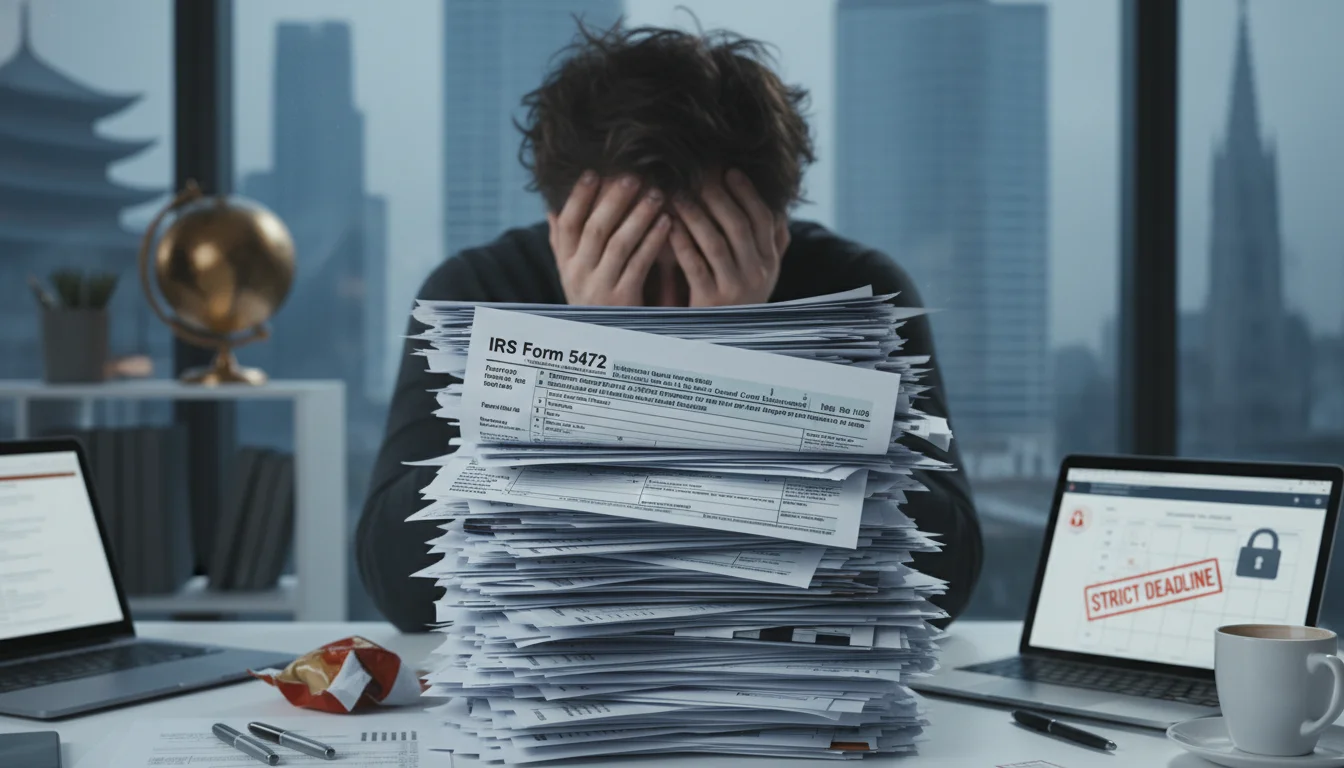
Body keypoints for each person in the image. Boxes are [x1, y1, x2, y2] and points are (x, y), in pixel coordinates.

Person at [358, 24, 982, 632]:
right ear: (560, 223)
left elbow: (944, 578)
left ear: (775, 226)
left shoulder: (858, 296)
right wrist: (589, 369)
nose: (666, 311)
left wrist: (745, 360)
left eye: (700, 265)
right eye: (631, 263)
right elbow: (401, 588)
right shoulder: (476, 294)